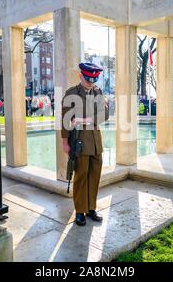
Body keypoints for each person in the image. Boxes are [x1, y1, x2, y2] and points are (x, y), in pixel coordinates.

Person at [61, 62, 109, 226]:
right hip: (79, 141)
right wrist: (65, 143)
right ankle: (80, 211)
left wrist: (84, 120)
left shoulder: (98, 92)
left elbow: (105, 115)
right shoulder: (71, 93)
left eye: (93, 80)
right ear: (80, 75)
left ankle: (91, 208)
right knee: (81, 176)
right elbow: (66, 120)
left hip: (96, 142)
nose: (91, 83)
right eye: (88, 80)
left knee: (94, 176)